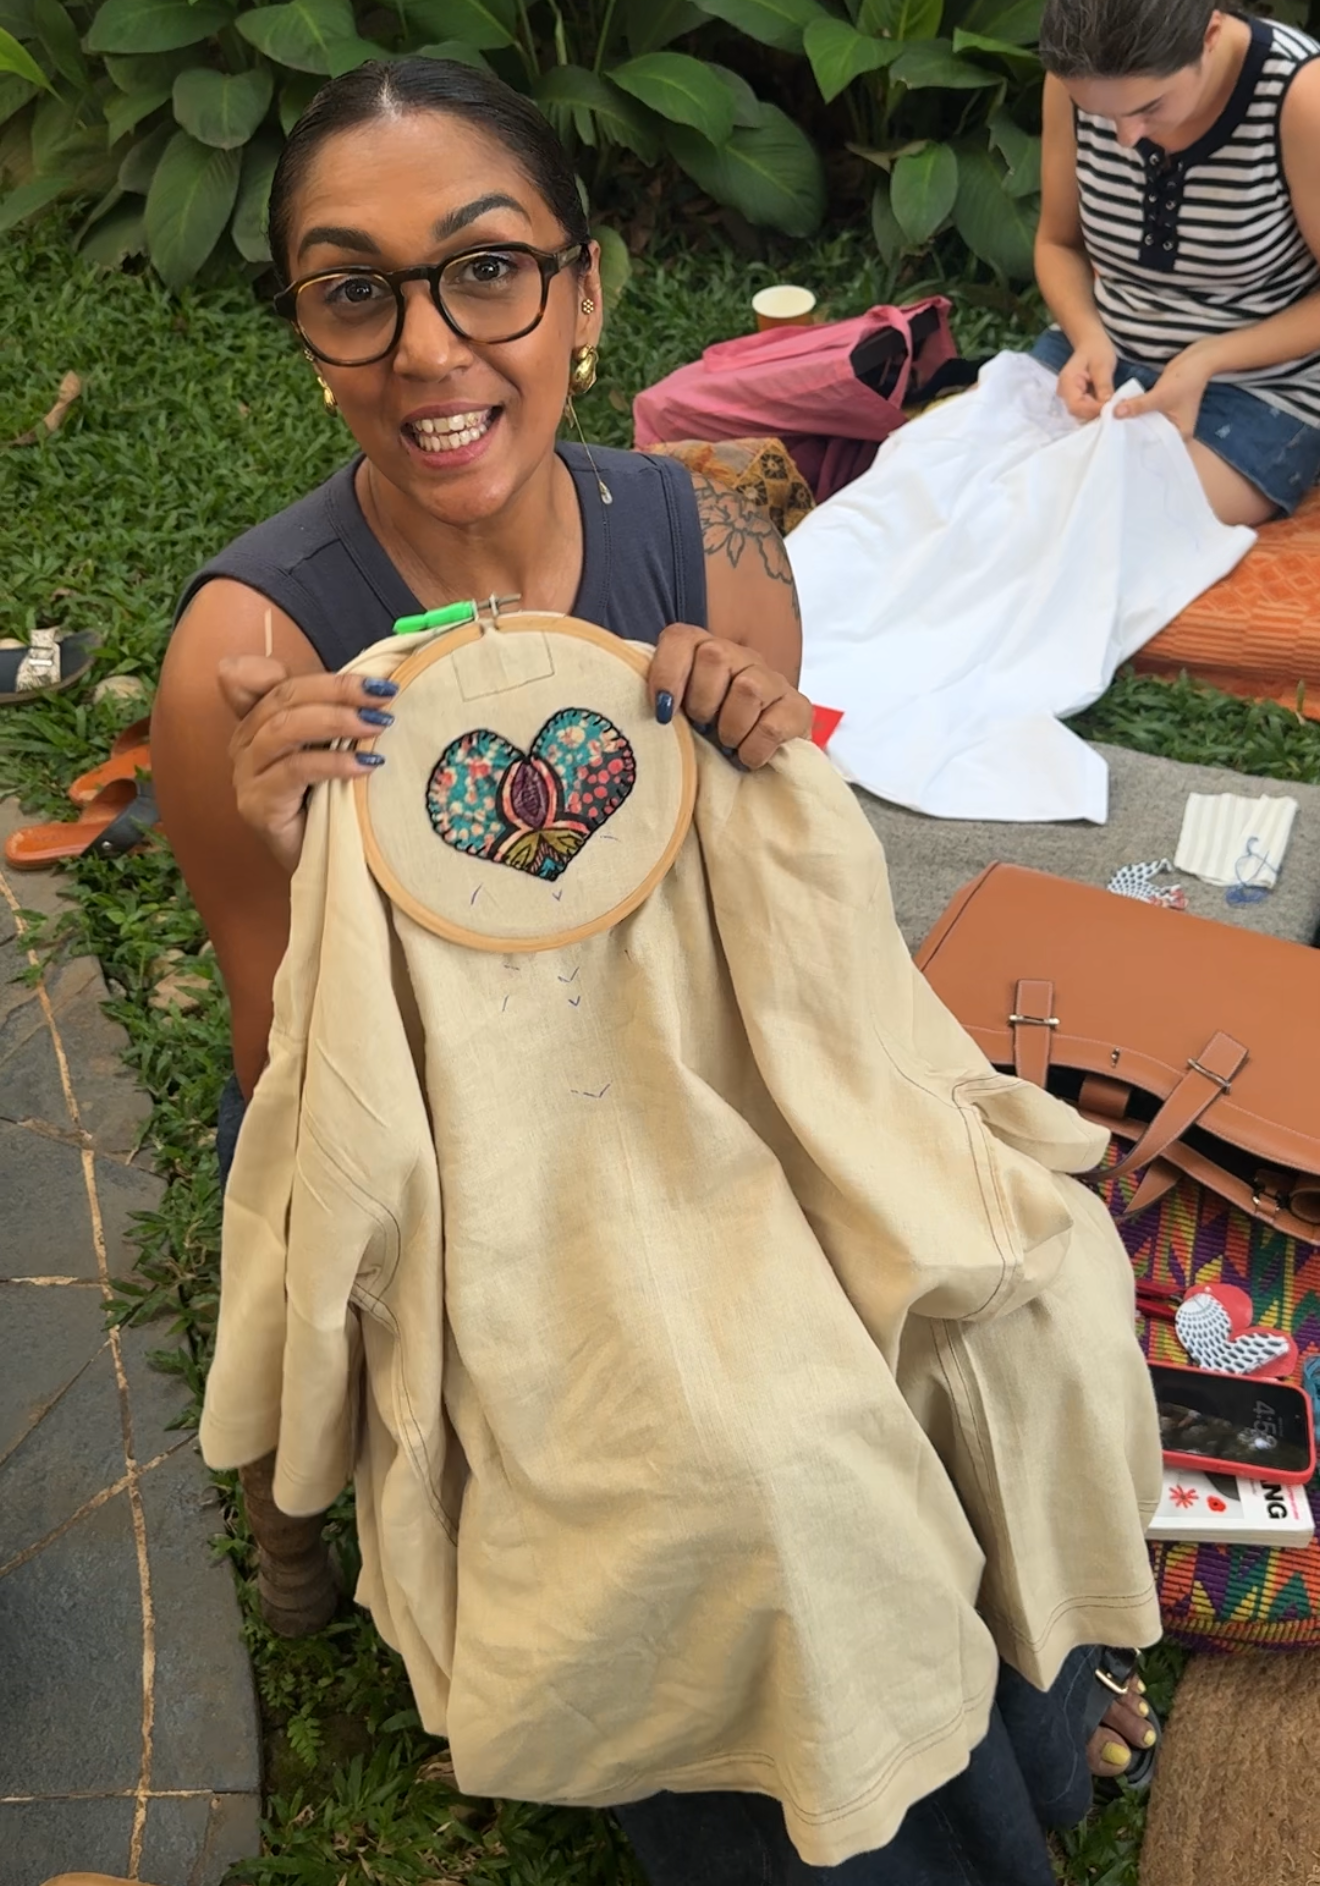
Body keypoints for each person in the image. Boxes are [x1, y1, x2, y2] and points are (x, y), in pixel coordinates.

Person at [153, 57, 1156, 1885]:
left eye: (489, 269)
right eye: (352, 287)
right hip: (470, 1149)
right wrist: (298, 862)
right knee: (754, 1458)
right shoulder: (255, 649)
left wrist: (768, 750)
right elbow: (290, 1100)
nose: (431, 349)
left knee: (1023, 1283)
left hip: (708, 1049)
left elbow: (783, 941)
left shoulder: (719, 535)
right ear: (309, 325)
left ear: (586, 293)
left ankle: (1021, 1677)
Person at [1034, 0, 1320, 525]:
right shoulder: (1074, 80)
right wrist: (1087, 335)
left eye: (1150, 107)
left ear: (1209, 34)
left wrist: (1207, 359)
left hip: (1261, 385)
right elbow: (1057, 243)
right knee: (941, 487)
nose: (1125, 137)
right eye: (1103, 115)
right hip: (1102, 352)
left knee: (1103, 525)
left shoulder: (1300, 96)